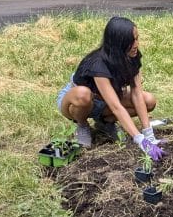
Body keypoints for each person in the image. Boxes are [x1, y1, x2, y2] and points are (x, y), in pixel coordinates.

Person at [56, 16, 163, 159]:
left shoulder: (133, 55)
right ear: (118, 43)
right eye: (131, 41)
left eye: (137, 38)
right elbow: (116, 106)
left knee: (148, 100)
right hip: (77, 102)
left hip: (106, 100)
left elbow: (136, 93)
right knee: (83, 94)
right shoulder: (98, 64)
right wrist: (139, 140)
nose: (136, 44)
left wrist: (148, 135)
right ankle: (82, 125)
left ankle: (105, 122)